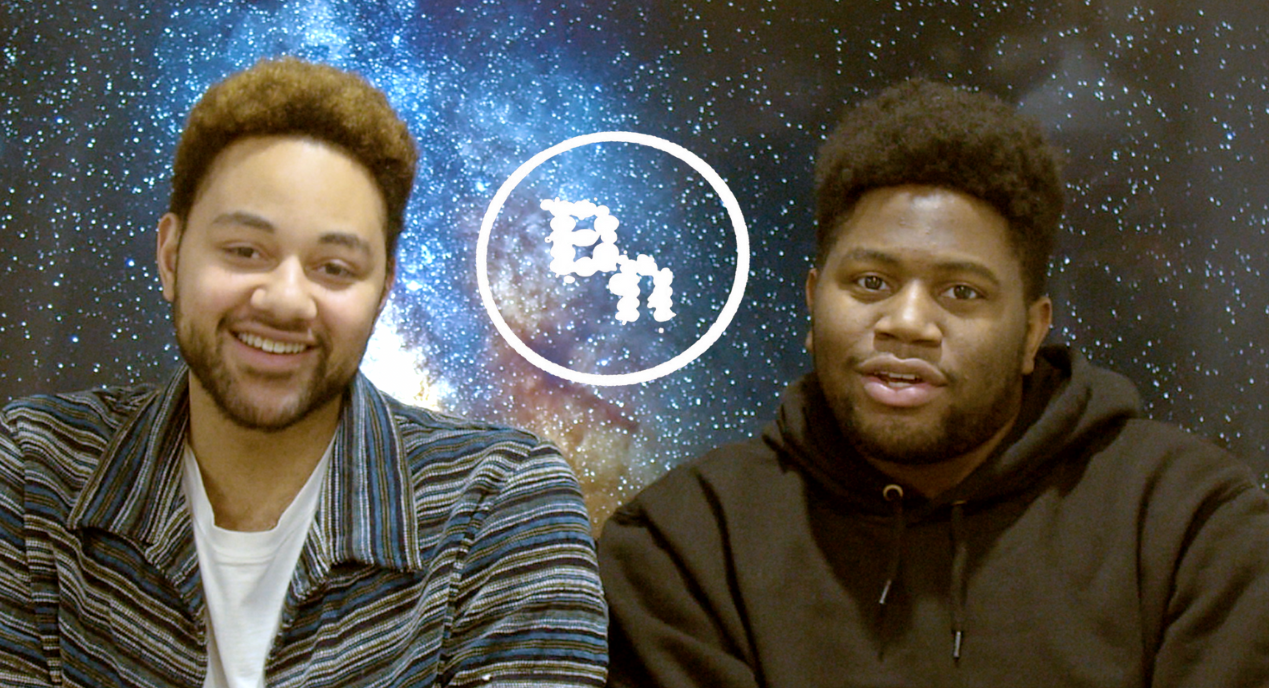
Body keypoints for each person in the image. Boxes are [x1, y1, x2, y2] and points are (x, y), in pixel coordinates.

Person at [598, 79, 1269, 687]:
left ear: (1032, 331)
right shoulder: (686, 544)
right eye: (871, 282)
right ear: (812, 300)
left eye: (961, 292)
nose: (907, 323)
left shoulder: (1188, 525)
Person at [0, 58, 607, 687]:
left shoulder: (500, 504)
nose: (286, 301)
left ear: (383, 291)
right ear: (171, 256)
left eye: (334, 268)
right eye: (245, 251)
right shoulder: (35, 468)